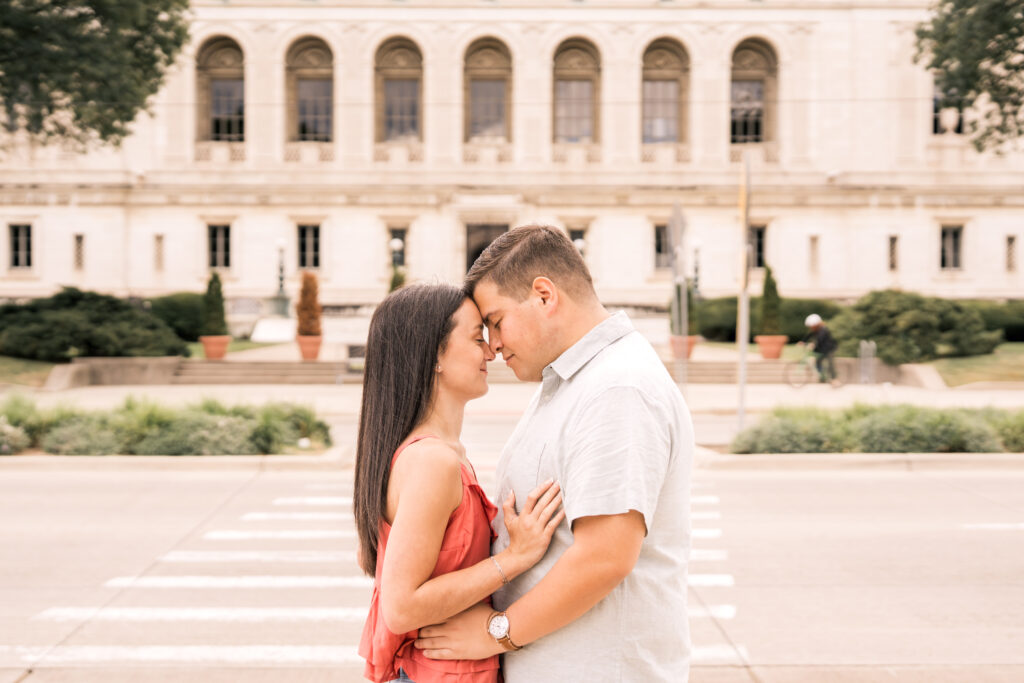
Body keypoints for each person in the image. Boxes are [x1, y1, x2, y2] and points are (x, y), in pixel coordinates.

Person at [413, 226, 695, 682]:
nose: (493, 344)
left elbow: (605, 557)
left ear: (544, 295)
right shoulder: (576, 380)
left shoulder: (617, 388)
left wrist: (494, 633)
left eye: (497, 321)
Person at [354, 283, 565, 683]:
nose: (491, 351)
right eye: (476, 338)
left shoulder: (441, 453)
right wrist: (515, 558)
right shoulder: (433, 461)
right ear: (434, 355)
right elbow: (401, 607)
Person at [800, 313, 838, 383]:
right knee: (818, 362)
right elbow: (809, 335)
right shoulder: (815, 330)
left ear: (816, 324)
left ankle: (834, 379)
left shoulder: (823, 330)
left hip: (828, 349)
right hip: (821, 350)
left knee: (830, 363)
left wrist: (813, 344)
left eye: (812, 326)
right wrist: (802, 341)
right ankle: (822, 377)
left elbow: (820, 339)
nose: (811, 328)